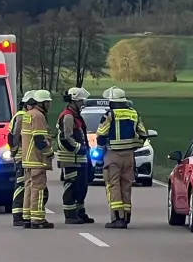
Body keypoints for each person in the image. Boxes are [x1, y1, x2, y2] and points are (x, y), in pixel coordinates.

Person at [95, 86, 147, 229]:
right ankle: (126, 216)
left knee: (113, 186)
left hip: (112, 155)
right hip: (129, 156)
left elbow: (101, 137)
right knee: (126, 186)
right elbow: (143, 135)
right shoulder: (133, 114)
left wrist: (99, 155)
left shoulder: (109, 115)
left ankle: (117, 218)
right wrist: (133, 146)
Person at [55, 87, 94, 225]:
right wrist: (80, 149)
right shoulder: (68, 116)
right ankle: (70, 215)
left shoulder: (76, 116)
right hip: (70, 159)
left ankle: (80, 213)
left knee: (81, 187)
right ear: (75, 101)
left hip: (80, 159)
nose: (83, 103)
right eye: (81, 101)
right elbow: (66, 138)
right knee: (71, 187)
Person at [20, 90, 55, 229]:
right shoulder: (39, 116)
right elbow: (39, 139)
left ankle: (27, 216)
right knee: (38, 189)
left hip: (27, 159)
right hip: (37, 159)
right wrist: (49, 152)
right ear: (43, 103)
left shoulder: (28, 115)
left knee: (28, 188)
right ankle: (38, 218)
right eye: (48, 102)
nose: (50, 105)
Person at [8, 91, 32, 226]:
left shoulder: (20, 115)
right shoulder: (22, 116)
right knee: (21, 185)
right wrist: (15, 151)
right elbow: (15, 136)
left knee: (23, 184)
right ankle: (18, 215)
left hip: (22, 155)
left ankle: (21, 213)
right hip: (22, 156)